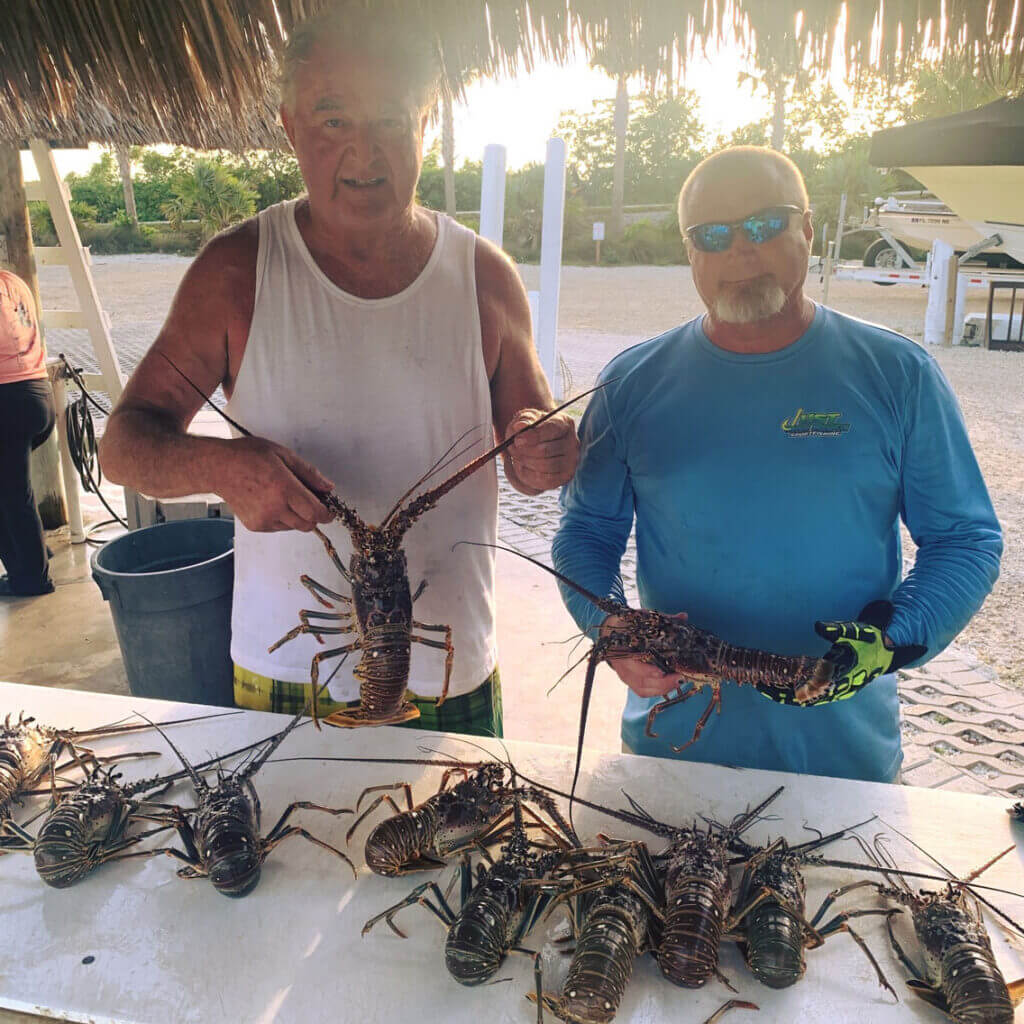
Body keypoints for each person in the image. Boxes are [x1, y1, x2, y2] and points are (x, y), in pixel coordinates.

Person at [99, 10, 578, 736]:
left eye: (390, 119)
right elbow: (124, 445)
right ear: (290, 126)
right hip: (288, 670)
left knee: (461, 854)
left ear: (425, 122)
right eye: (332, 120)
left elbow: (530, 455)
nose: (364, 150)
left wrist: (545, 448)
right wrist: (225, 467)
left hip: (452, 665)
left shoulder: (485, 276)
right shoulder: (235, 271)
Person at [552, 146, 1002, 783]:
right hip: (673, 755)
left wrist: (893, 637)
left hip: (846, 761)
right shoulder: (629, 383)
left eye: (765, 224)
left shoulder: (900, 373)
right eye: (712, 234)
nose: (740, 249)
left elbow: (966, 539)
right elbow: (586, 532)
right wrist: (610, 625)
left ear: (809, 229)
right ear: (690, 251)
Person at [0, 270, 56, 597]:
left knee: (12, 495)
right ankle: (32, 555)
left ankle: (33, 578)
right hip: (38, 395)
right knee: (11, 491)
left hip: (8, 402)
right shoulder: (13, 281)